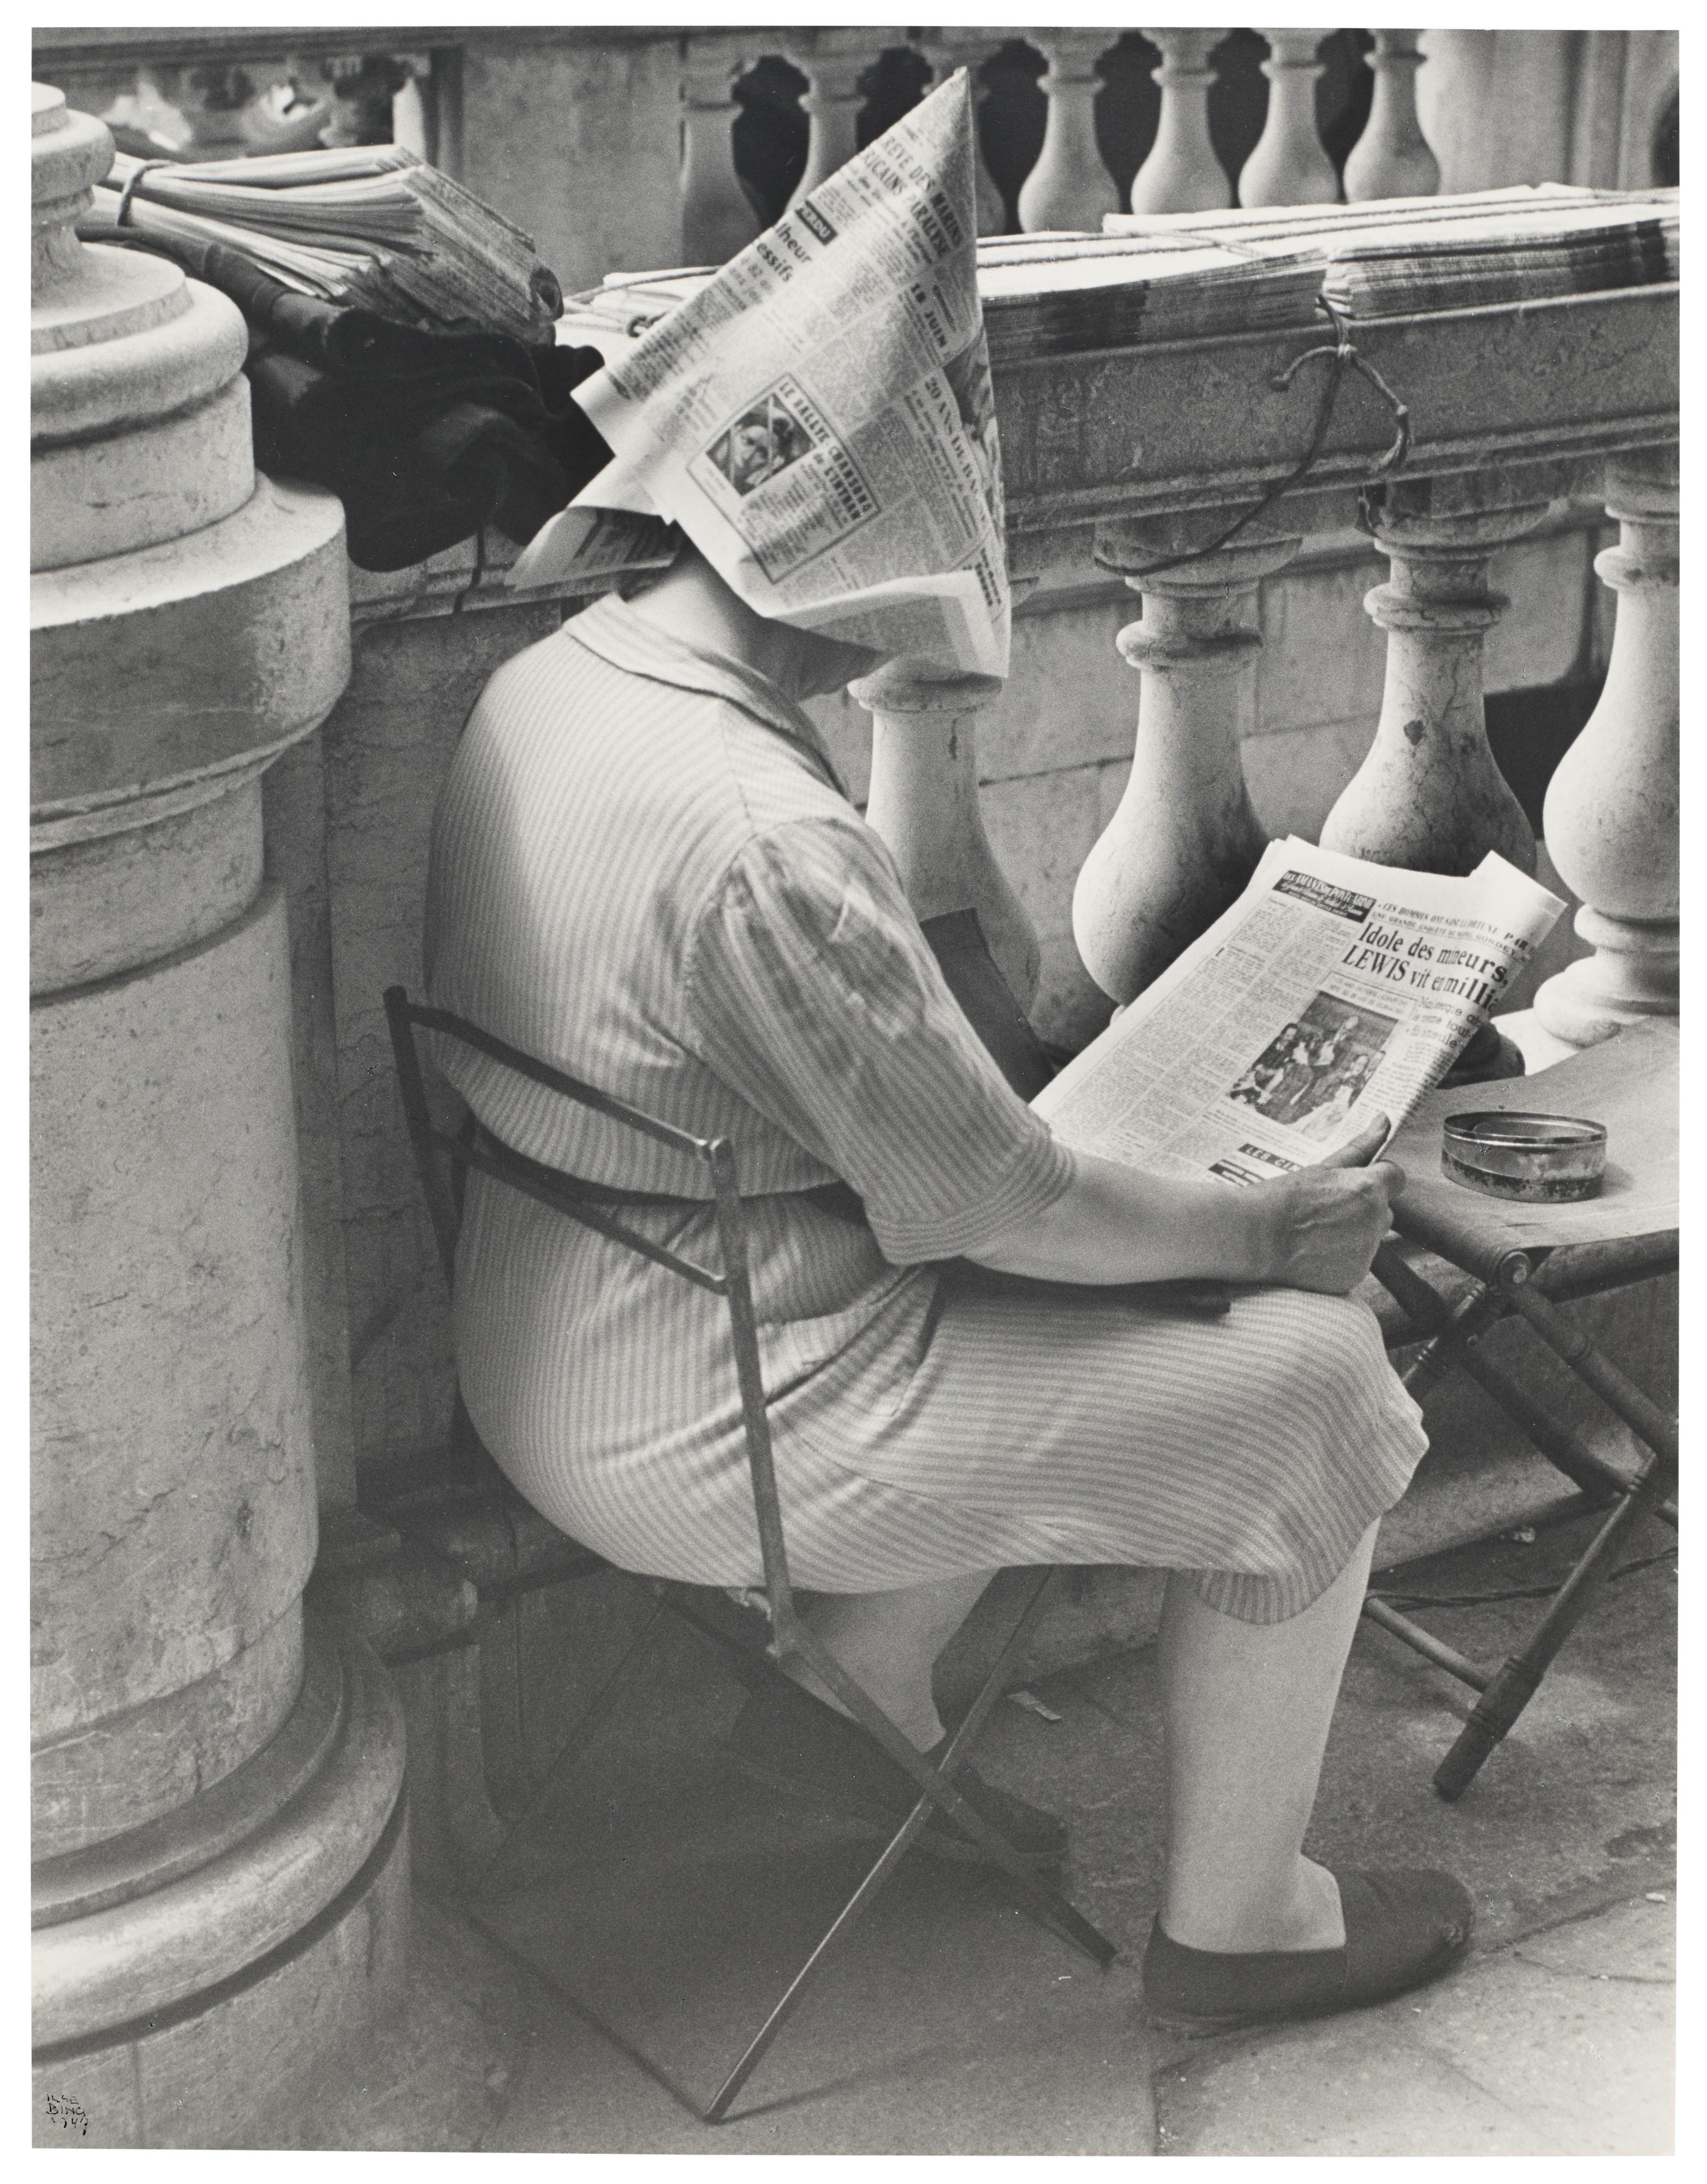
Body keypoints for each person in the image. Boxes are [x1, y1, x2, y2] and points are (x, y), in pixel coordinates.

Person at [424, 536, 1474, 2037]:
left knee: (1101, 1282)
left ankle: (846, 1697)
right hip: (722, 1420)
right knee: (1317, 1376)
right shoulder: (763, 833)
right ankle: (1246, 1925)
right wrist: (1264, 1237)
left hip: (563, 1330)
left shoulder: (554, 681)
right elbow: (1001, 1204)